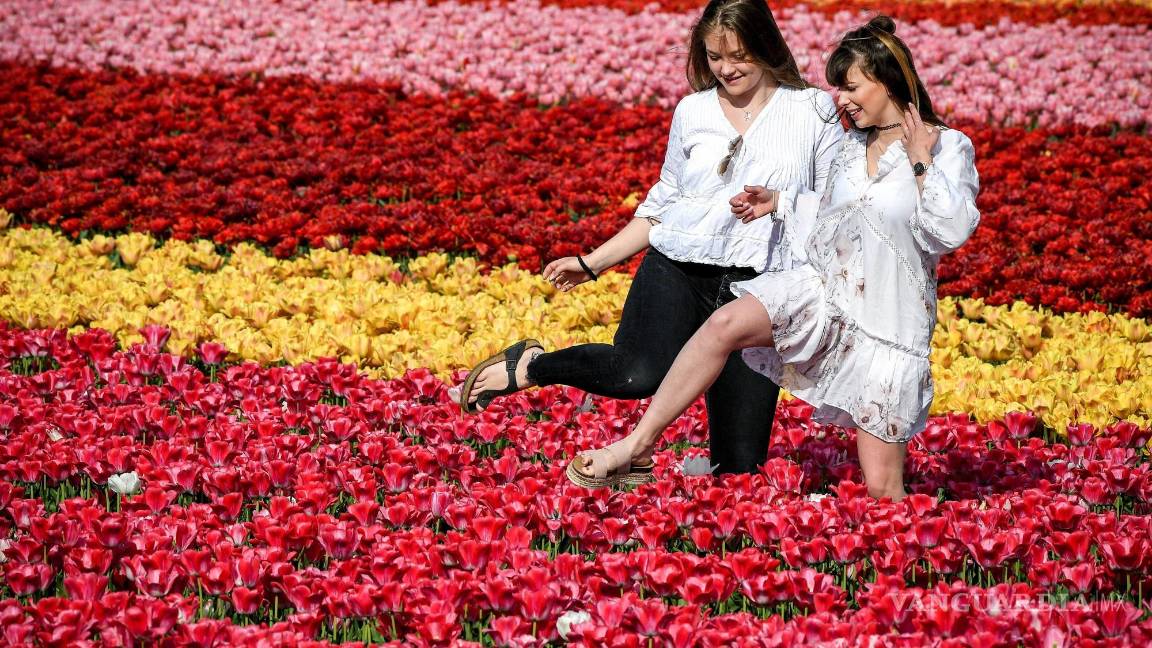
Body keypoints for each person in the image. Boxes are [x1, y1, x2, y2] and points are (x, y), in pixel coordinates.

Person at [566, 15, 980, 500]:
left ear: (888, 80)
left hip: (886, 326)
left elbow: (950, 231)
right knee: (724, 324)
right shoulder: (849, 148)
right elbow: (833, 218)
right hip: (825, 295)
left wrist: (919, 159)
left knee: (883, 491)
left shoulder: (947, 146)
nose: (839, 100)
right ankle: (634, 447)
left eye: (849, 87)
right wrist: (780, 202)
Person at [457, 0, 843, 475]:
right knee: (637, 372)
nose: (725, 69)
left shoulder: (812, 110)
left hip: (759, 289)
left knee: (740, 467)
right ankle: (532, 365)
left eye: (738, 55)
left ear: (766, 45)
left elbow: (834, 202)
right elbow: (663, 207)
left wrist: (781, 200)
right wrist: (592, 262)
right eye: (714, 57)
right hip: (679, 269)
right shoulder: (693, 111)